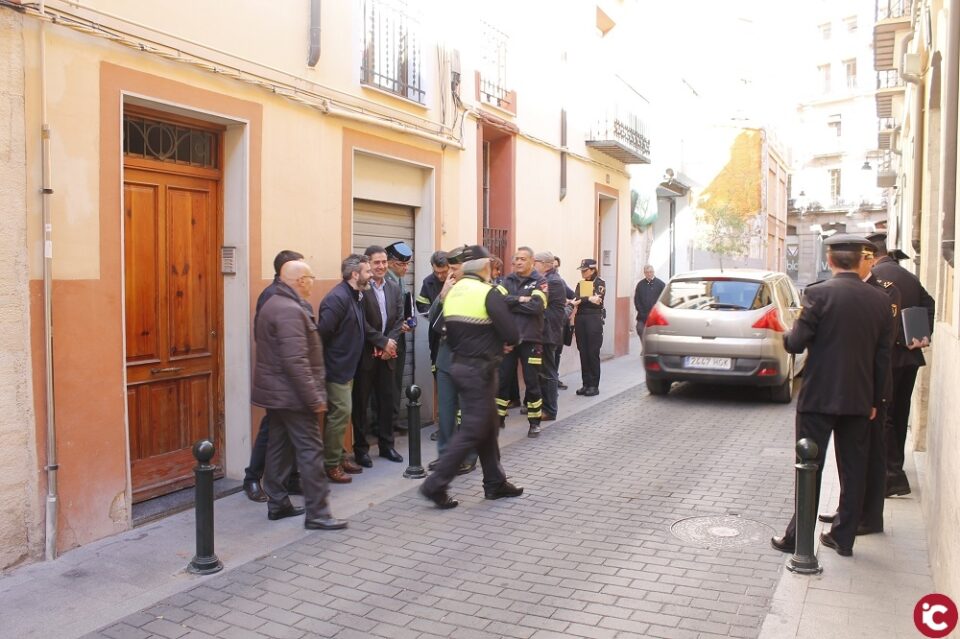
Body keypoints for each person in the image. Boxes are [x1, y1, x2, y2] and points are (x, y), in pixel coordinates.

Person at [770, 234, 892, 557]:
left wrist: (785, 334)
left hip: (818, 399)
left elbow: (796, 343)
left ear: (830, 260)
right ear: (861, 260)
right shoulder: (880, 300)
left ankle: (798, 538)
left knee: (809, 467)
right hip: (860, 399)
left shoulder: (817, 294)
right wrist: (876, 401)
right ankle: (843, 537)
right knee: (854, 470)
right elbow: (883, 358)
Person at [419, 246, 522, 509]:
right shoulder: (488, 293)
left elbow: (445, 330)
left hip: (459, 366)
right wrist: (500, 343)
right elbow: (512, 334)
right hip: (481, 371)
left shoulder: (453, 293)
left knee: (487, 426)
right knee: (473, 429)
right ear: (484, 267)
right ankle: (435, 484)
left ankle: (495, 482)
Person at [251, 260, 347, 530]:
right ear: (301, 280)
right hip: (294, 395)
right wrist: (314, 397)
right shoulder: (289, 310)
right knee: (311, 451)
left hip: (278, 393)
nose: (312, 282)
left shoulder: (274, 303)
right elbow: (296, 361)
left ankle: (278, 503)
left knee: (278, 448)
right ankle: (318, 513)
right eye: (311, 277)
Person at [819, 241, 900, 534]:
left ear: (870, 260)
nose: (865, 262)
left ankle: (868, 518)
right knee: (849, 458)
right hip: (850, 387)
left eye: (867, 257)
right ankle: (848, 512)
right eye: (861, 257)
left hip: (871, 387)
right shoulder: (843, 290)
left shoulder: (885, 291)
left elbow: (882, 347)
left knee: (872, 454)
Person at [866, 232, 935, 497]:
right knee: (900, 414)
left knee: (884, 417)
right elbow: (930, 306)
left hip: (889, 359)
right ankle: (894, 471)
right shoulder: (909, 277)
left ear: (871, 256)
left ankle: (892, 475)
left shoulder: (874, 278)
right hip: (910, 357)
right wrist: (921, 336)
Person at [244, 249, 304, 502]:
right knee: (271, 429)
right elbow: (267, 339)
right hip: (278, 379)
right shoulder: (271, 296)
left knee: (289, 432)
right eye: (299, 268)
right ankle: (252, 478)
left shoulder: (290, 294)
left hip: (288, 379)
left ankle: (289, 479)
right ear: (284, 271)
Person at [317, 254, 372, 484]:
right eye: (367, 271)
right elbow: (322, 334)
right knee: (340, 413)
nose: (371, 275)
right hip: (337, 368)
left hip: (349, 366)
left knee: (341, 415)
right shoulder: (337, 298)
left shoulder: (356, 295)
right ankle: (331, 464)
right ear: (355, 274)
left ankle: (339, 456)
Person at [351, 245, 404, 468]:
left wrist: (389, 344)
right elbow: (360, 321)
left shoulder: (394, 287)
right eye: (376, 263)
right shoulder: (361, 288)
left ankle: (387, 445)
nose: (381, 266)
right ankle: (361, 450)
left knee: (386, 402)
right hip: (365, 355)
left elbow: (399, 318)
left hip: (387, 356)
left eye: (384, 262)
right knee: (361, 404)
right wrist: (381, 342)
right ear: (368, 264)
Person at [427, 246, 477, 475]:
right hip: (446, 357)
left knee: (467, 412)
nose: (451, 273)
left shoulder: (479, 288)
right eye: (451, 268)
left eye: (455, 268)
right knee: (446, 413)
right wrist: (442, 295)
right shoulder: (448, 287)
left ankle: (468, 457)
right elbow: (432, 319)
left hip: (470, 359)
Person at [495, 246, 547, 437]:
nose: (517, 262)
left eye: (522, 259)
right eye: (516, 259)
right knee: (502, 380)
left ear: (532, 261)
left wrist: (512, 302)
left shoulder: (540, 281)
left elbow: (537, 307)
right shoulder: (507, 280)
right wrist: (521, 299)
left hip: (531, 340)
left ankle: (534, 422)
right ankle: (498, 419)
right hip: (509, 340)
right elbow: (496, 301)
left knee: (532, 382)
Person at [385, 241, 414, 433]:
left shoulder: (400, 279)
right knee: (386, 383)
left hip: (400, 337)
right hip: (388, 338)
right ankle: (383, 422)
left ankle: (393, 419)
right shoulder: (385, 280)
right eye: (400, 264)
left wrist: (408, 321)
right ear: (389, 262)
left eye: (407, 264)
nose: (405, 268)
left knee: (396, 381)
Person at [533, 251, 566, 422]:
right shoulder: (548, 279)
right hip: (545, 332)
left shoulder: (552, 281)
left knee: (548, 372)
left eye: (535, 262)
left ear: (545, 264)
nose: (533, 265)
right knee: (543, 372)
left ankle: (550, 409)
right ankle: (545, 407)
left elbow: (536, 304)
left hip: (548, 332)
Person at [573, 258, 606, 396]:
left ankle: (594, 385)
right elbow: (576, 299)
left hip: (593, 318)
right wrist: (587, 298)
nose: (582, 273)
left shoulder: (599, 283)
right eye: (582, 270)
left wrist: (583, 300)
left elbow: (597, 300)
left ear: (592, 270)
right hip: (581, 318)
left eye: (585, 270)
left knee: (592, 352)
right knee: (583, 351)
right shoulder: (581, 283)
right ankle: (585, 384)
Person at [416, 250, 449, 373]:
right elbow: (421, 304)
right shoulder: (428, 282)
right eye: (436, 272)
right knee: (437, 369)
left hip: (455, 333)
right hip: (436, 333)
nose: (440, 276)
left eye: (443, 272)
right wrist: (431, 312)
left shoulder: (458, 280)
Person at [553, 256, 576, 390]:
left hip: (560, 324)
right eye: (553, 266)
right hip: (548, 326)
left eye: (557, 267)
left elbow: (573, 295)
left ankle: (555, 379)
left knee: (557, 353)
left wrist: (568, 302)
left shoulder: (560, 282)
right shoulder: (541, 281)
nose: (555, 269)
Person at [633, 264, 665, 339]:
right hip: (642, 316)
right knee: (640, 329)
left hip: (656, 316)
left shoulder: (661, 284)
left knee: (655, 335)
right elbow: (637, 300)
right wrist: (642, 312)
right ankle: (644, 345)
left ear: (653, 272)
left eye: (651, 272)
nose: (649, 274)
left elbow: (664, 300)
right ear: (644, 273)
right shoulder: (640, 285)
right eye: (647, 272)